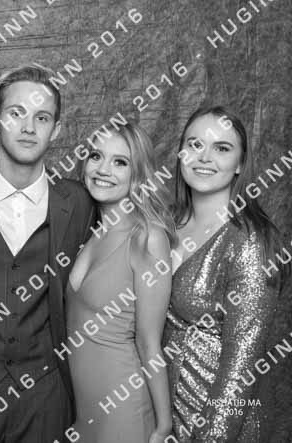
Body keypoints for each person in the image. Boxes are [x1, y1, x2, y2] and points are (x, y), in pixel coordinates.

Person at [0, 64, 94, 443]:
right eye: (16, 113)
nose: (28, 127)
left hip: (47, 391)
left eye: (41, 117)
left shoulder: (78, 202)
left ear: (56, 130)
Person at [163, 106, 289, 442]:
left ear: (239, 164)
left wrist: (213, 435)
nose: (204, 157)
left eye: (221, 148)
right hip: (165, 412)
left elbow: (240, 365)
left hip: (220, 422)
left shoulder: (249, 241)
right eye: (195, 144)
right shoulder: (166, 224)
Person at [65, 122, 175, 442]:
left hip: (123, 408)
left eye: (120, 162)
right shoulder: (87, 232)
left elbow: (149, 342)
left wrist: (163, 426)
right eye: (96, 156)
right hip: (80, 409)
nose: (103, 169)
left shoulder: (148, 237)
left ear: (137, 173)